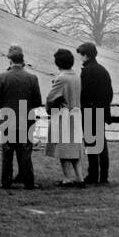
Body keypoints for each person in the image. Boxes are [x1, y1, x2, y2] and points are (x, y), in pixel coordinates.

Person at [0, 44, 42, 191]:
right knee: (25, 151)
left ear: (9, 60)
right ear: (23, 60)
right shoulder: (32, 78)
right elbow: (37, 101)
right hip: (26, 118)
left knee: (7, 151)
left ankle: (6, 182)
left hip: (8, 117)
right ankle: (28, 182)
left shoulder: (2, 77)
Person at [45, 47, 85, 186]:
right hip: (76, 114)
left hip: (64, 115)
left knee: (63, 149)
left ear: (58, 63)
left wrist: (49, 109)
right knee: (75, 149)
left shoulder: (61, 78)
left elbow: (51, 98)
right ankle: (80, 178)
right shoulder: (76, 76)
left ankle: (67, 178)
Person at [78, 41, 114, 185]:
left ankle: (93, 174)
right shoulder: (103, 70)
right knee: (102, 144)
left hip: (89, 110)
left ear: (85, 56)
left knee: (91, 143)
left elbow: (84, 93)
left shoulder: (86, 71)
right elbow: (109, 93)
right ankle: (104, 176)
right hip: (101, 109)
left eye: (81, 55)